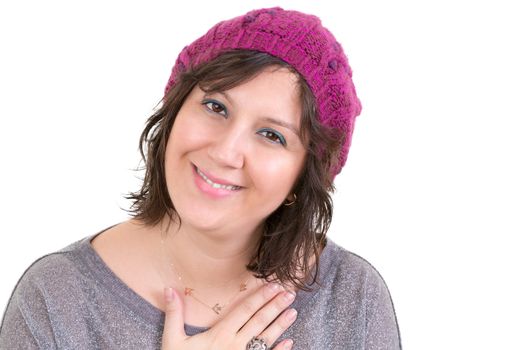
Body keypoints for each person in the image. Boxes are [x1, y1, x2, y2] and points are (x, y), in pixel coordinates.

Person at [0, 7, 401, 350]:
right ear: (174, 111)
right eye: (215, 106)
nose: (225, 152)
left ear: (303, 175)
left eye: (272, 135)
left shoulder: (352, 297)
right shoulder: (56, 299)